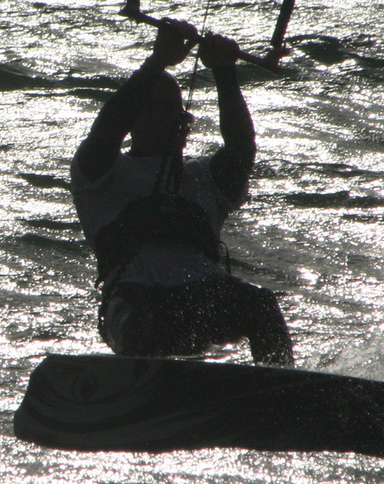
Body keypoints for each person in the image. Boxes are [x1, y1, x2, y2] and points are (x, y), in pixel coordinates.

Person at [69, 20, 294, 365]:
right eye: (149, 108)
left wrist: (224, 72)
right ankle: (137, 393)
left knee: (261, 304)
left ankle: (282, 390)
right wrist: (157, 62)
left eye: (167, 107)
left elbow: (241, 147)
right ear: (133, 119)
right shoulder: (102, 174)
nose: (159, 117)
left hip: (198, 299)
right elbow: (108, 128)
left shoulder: (204, 177)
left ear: (183, 117)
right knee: (140, 323)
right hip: (133, 302)